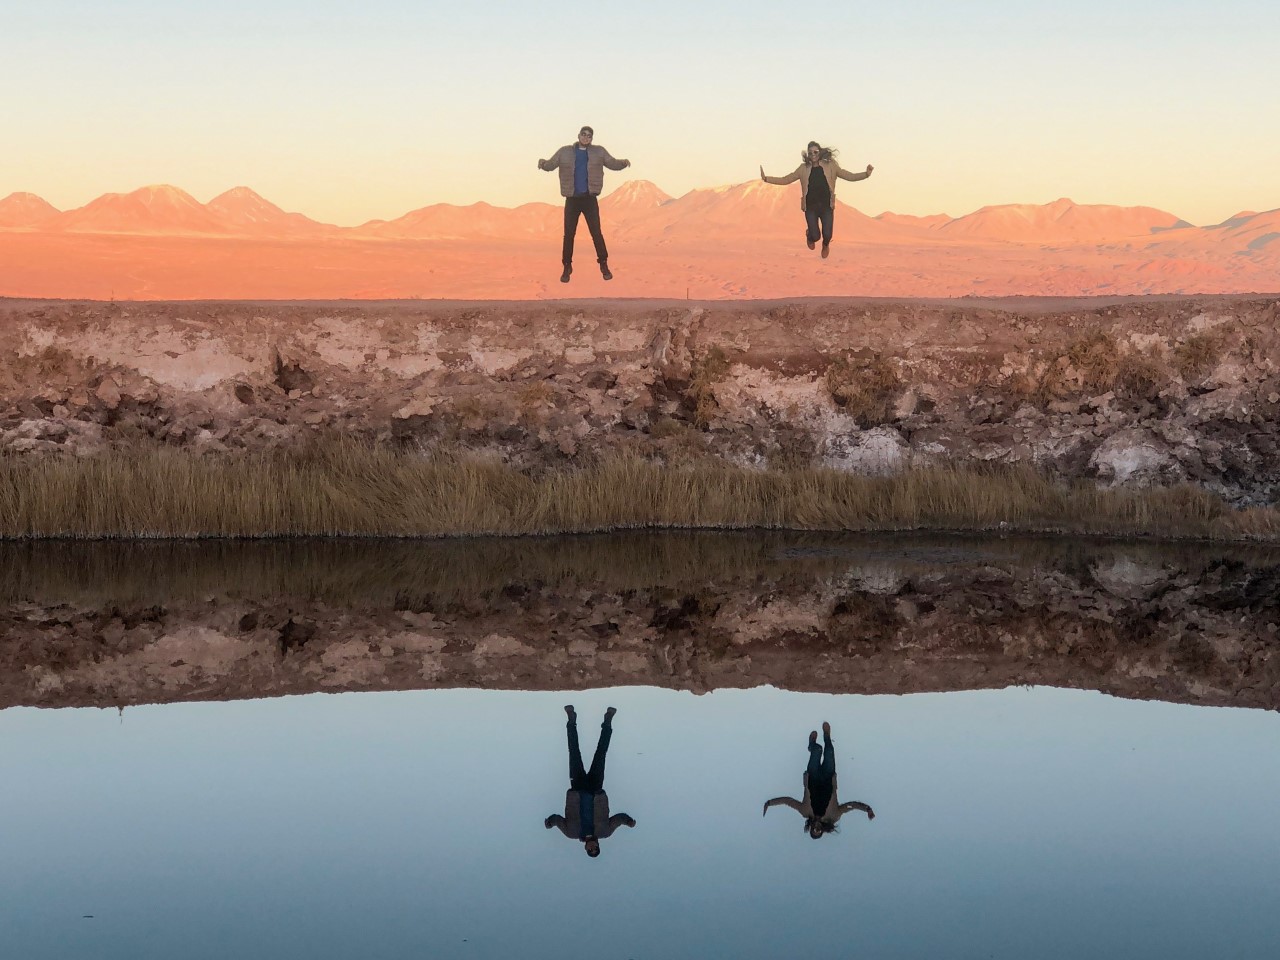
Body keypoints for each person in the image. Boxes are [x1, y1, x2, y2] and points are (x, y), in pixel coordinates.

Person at [538, 126, 631, 283]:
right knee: (569, 235)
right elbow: (552, 164)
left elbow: (612, 163)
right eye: (584, 134)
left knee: (596, 233)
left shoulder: (598, 152)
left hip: (589, 198)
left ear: (592, 138)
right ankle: (567, 266)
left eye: (589, 136)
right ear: (578, 135)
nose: (586, 137)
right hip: (572, 199)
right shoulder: (565, 152)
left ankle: (603, 264)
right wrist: (543, 164)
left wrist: (623, 163)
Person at [544, 705, 636, 856]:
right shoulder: (605, 832)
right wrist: (629, 821)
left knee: (573, 751)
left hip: (577, 789)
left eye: (590, 850)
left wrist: (549, 823)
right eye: (596, 849)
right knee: (601, 753)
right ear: (598, 846)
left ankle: (571, 719)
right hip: (595, 790)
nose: (592, 847)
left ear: (585, 848)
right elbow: (618, 819)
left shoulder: (570, 833)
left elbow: (557, 820)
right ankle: (607, 721)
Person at [759, 142, 873, 259]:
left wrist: (866, 174)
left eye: (815, 152)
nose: (813, 155)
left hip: (826, 207)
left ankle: (825, 245)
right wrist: (767, 179)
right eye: (810, 153)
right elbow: (786, 179)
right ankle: (809, 235)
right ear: (807, 155)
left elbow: (849, 176)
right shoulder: (803, 168)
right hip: (811, 207)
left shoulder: (831, 166)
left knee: (827, 235)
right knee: (815, 236)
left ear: (820, 152)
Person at [763, 722, 875, 839]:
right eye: (819, 831)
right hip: (828, 777)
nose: (817, 828)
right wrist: (867, 808)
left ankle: (811, 745)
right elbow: (850, 806)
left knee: (817, 749)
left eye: (813, 830)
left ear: (810, 827)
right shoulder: (834, 816)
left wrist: (770, 803)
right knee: (829, 750)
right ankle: (826, 735)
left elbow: (788, 801)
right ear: (823, 830)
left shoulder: (804, 811)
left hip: (813, 776)